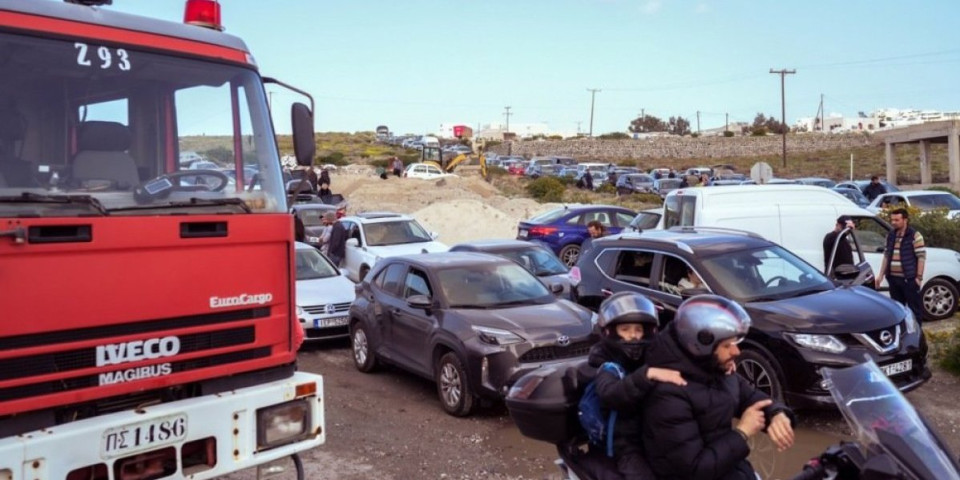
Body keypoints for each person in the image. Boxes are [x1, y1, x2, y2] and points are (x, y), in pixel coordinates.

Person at [641, 295, 795, 480]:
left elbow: (750, 396)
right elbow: (694, 469)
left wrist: (776, 413)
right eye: (727, 345)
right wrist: (742, 432)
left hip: (732, 469)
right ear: (700, 346)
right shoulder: (667, 396)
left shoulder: (713, 368)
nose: (736, 352)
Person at [588, 292, 686, 480]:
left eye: (638, 330)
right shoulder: (607, 366)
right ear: (611, 331)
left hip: (655, 437)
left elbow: (680, 359)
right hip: (625, 446)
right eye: (625, 329)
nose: (633, 336)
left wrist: (716, 363)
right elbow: (610, 393)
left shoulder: (651, 356)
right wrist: (646, 375)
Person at [875, 208, 925, 322]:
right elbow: (887, 255)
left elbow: (921, 256)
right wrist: (881, 275)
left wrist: (918, 278)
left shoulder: (914, 236)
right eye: (892, 220)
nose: (893, 222)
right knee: (898, 310)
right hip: (893, 279)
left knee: (914, 310)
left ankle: (918, 336)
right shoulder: (891, 235)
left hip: (909, 280)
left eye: (897, 220)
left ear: (905, 220)